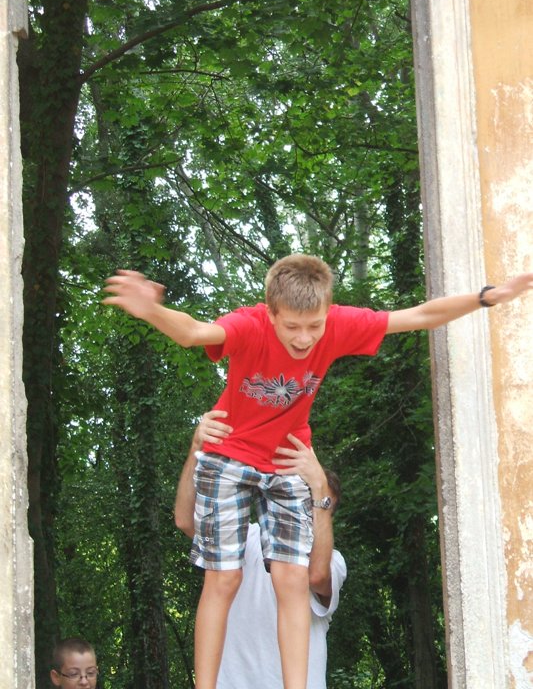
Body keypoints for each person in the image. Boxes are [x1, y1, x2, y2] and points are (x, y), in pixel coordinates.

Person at [103, 254, 533, 689]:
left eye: (315, 326)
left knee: (292, 578)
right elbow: (194, 332)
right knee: (225, 577)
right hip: (229, 453)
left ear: (328, 312)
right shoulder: (249, 325)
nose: (305, 338)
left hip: (287, 457)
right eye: (292, 327)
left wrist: (486, 297)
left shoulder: (339, 325)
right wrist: (151, 310)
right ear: (271, 313)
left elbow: (418, 316)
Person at [174, 409, 346, 689]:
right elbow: (185, 520)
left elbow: (316, 577)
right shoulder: (248, 539)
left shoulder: (333, 562)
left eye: (316, 501)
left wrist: (319, 487)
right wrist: (197, 449)